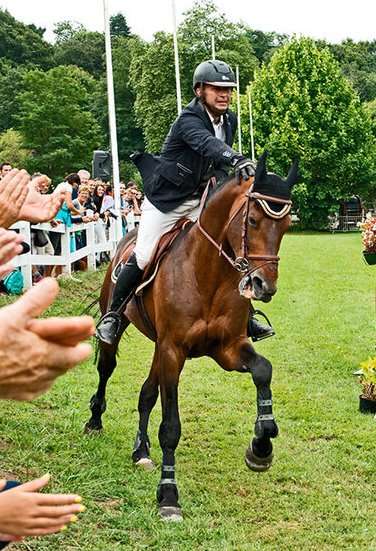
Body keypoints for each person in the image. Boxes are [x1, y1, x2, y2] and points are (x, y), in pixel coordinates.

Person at [95, 60, 273, 344]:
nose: (224, 94)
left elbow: (216, 164)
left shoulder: (230, 120)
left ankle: (247, 314)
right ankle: (113, 316)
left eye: (228, 89)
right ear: (200, 90)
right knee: (142, 255)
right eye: (217, 89)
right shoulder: (187, 120)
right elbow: (206, 144)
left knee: (230, 247)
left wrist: (219, 189)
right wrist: (237, 158)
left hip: (201, 198)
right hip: (168, 200)